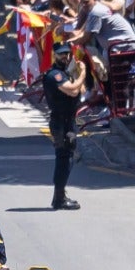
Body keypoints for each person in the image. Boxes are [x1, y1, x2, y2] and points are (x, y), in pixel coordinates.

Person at [41, 42, 85, 210]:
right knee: (63, 159)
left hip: (68, 121)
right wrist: (84, 73)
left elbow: (80, 89)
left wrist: (76, 73)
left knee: (67, 158)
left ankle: (59, 195)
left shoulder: (66, 73)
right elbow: (73, 90)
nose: (65, 57)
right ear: (55, 55)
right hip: (61, 122)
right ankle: (59, 198)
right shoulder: (55, 75)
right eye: (61, 54)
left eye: (67, 54)